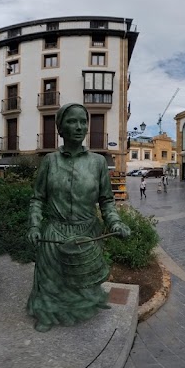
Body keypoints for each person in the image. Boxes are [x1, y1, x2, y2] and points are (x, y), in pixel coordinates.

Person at [26, 104, 131, 331]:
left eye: (83, 122)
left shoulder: (98, 163)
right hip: (55, 232)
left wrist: (115, 222)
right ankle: (47, 313)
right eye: (72, 121)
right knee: (51, 278)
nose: (79, 127)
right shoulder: (49, 162)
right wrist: (34, 225)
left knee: (82, 279)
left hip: (87, 234)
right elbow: (37, 199)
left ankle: (82, 308)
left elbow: (106, 200)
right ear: (60, 128)